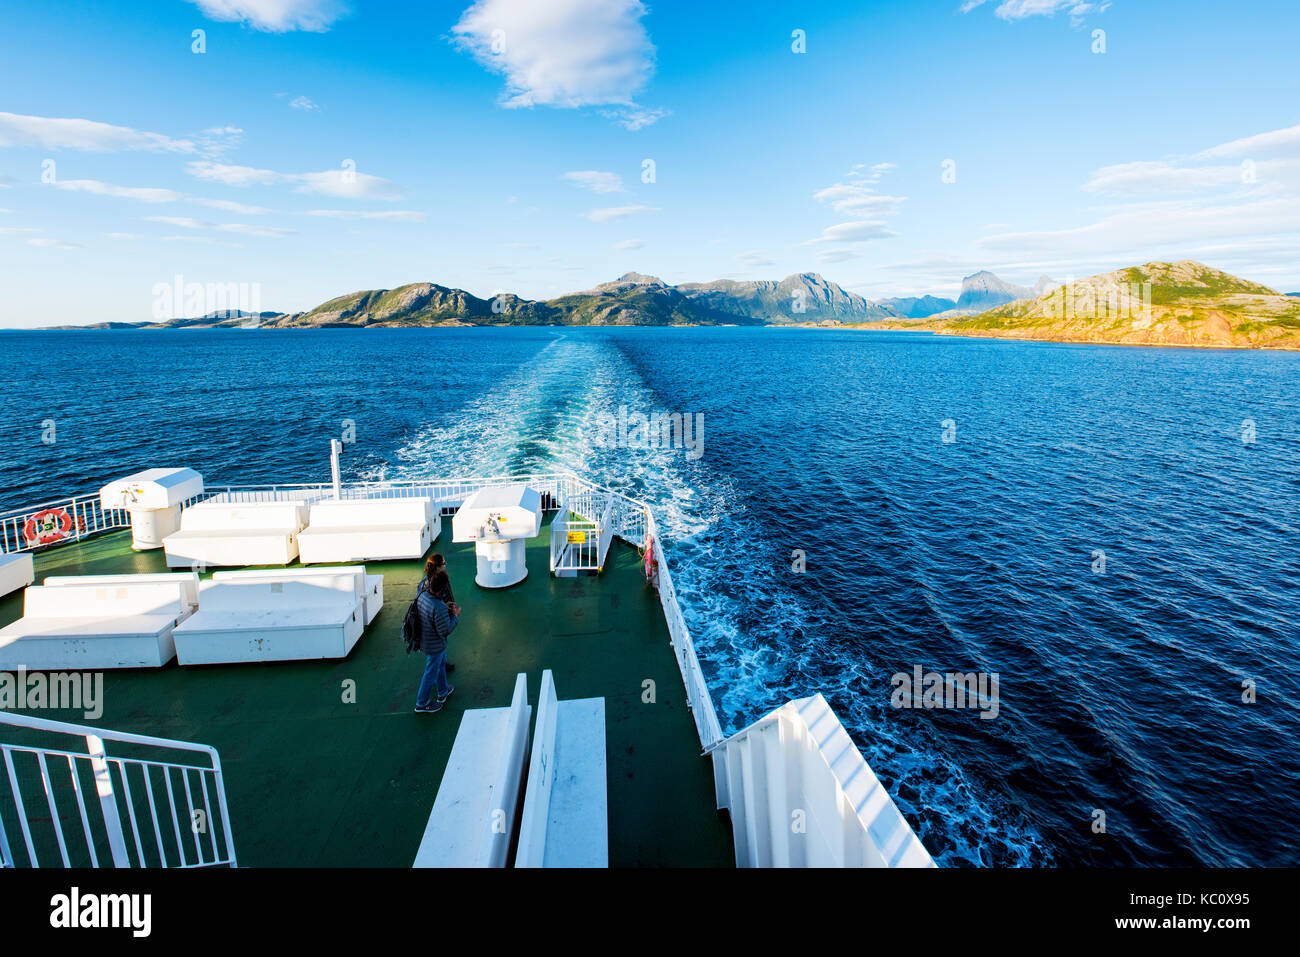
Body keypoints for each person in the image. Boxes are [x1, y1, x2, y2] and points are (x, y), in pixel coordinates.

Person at [414, 568, 457, 713]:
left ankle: (443, 691)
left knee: (439, 665)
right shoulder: (438, 608)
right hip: (435, 645)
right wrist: (455, 616)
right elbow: (445, 631)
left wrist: (444, 607)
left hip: (426, 640)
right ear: (443, 587)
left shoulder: (423, 596)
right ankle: (422, 703)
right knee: (431, 671)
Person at [426, 555, 458, 672]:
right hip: (437, 619)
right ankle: (440, 666)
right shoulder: (434, 583)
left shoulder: (437, 579)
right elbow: (445, 630)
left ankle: (443, 662)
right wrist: (454, 615)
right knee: (439, 642)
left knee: (441, 642)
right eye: (444, 563)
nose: (446, 564)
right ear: (438, 567)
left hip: (441, 613)